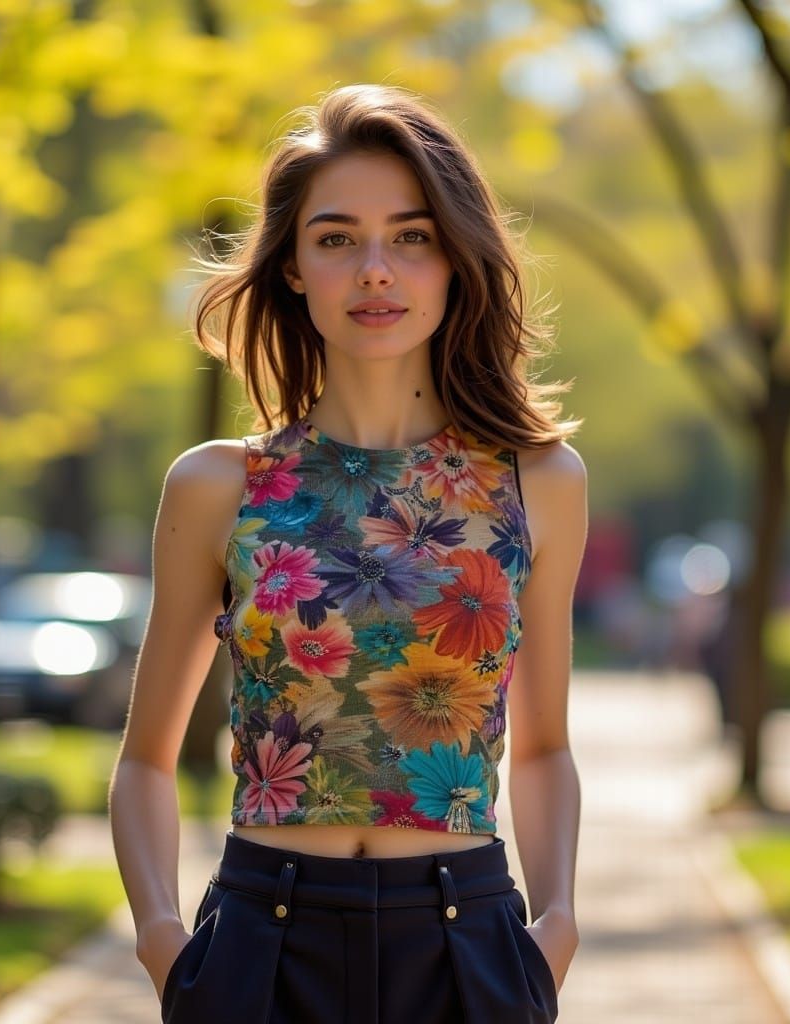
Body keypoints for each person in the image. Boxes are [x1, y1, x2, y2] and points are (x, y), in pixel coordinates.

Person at [109, 83, 587, 1024]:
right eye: (336, 239)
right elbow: (146, 761)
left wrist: (556, 927)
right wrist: (166, 947)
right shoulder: (218, 487)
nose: (376, 269)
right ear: (292, 267)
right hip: (261, 942)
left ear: (457, 259)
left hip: (468, 945)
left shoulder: (540, 480)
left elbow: (542, 745)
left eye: (411, 236)